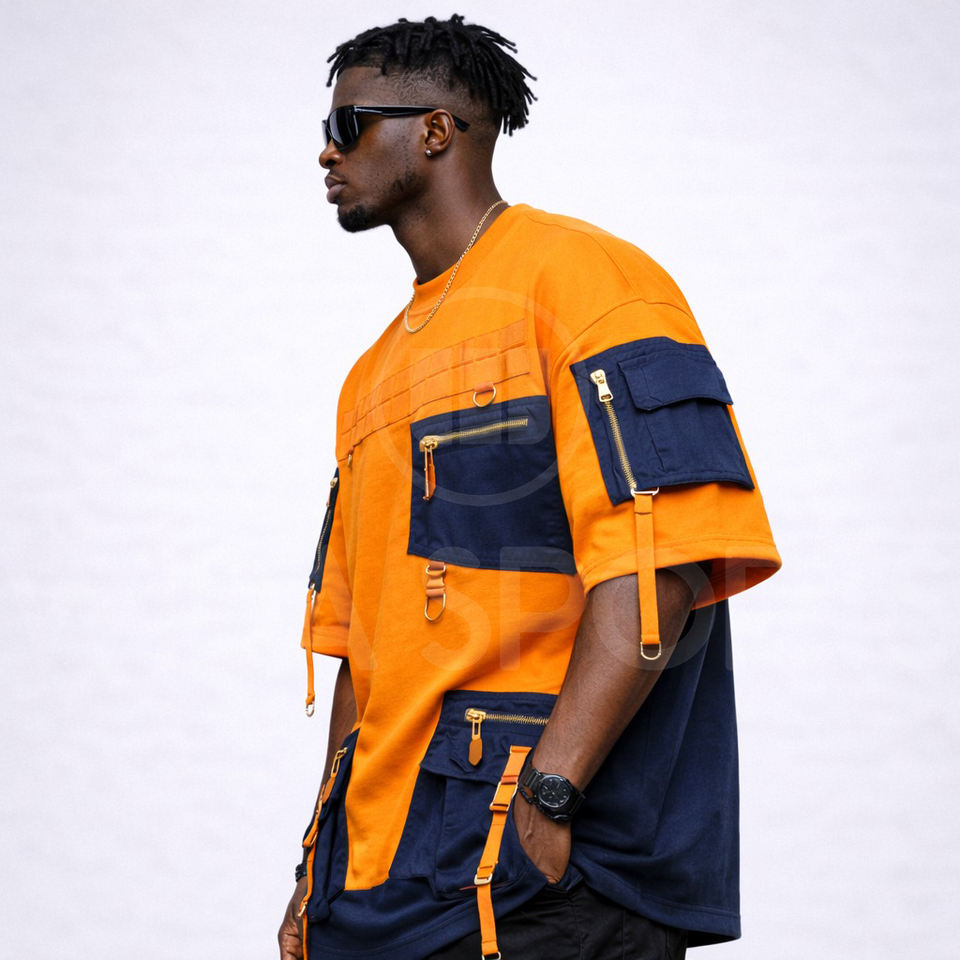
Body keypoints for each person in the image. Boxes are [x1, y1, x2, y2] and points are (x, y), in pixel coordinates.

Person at [278, 14, 781, 960]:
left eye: (348, 125)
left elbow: (662, 563)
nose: (325, 152)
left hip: (543, 887)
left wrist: (550, 797)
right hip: (380, 898)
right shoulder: (369, 379)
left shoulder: (589, 282)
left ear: (435, 131)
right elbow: (359, 651)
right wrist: (318, 867)